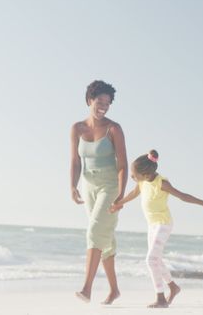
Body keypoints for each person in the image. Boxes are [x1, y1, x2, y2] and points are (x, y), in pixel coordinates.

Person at [110, 150, 203, 308]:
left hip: (163, 224)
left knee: (151, 260)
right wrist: (119, 203)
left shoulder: (161, 183)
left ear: (145, 174)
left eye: (133, 174)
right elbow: (133, 193)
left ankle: (161, 298)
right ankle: (173, 287)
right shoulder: (142, 183)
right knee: (156, 259)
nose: (132, 176)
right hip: (152, 225)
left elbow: (182, 196)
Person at [70, 80, 127, 305]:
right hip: (88, 186)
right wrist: (72, 186)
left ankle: (87, 288)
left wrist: (121, 195)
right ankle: (114, 290)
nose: (103, 106)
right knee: (106, 239)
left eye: (107, 103)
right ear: (89, 100)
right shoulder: (77, 128)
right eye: (99, 101)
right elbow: (75, 161)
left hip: (110, 186)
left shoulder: (114, 129)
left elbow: (122, 164)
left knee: (95, 232)